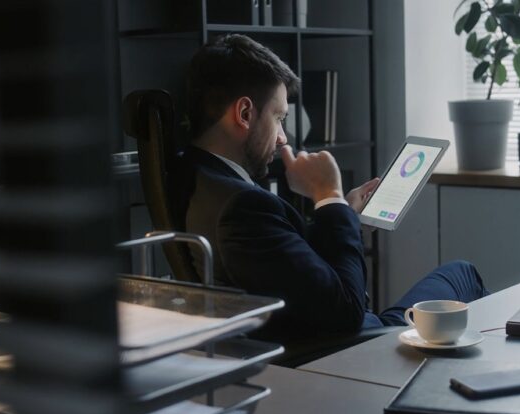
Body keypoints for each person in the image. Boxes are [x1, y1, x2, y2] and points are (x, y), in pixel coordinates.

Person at [175, 34, 488, 343]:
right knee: (464, 274)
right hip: (354, 348)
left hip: (314, 336)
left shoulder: (196, 176)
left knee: (458, 275)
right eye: (279, 118)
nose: (283, 137)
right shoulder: (242, 209)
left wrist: (341, 214)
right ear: (244, 114)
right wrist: (329, 195)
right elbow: (348, 311)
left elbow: (288, 265)